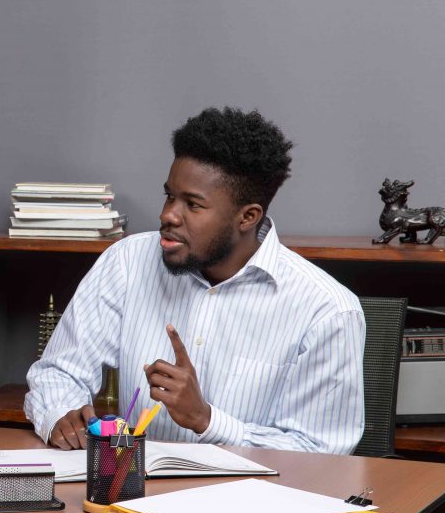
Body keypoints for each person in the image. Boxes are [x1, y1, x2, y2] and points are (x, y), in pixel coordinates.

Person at [24, 107, 366, 455]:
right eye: (169, 195)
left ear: (247, 217)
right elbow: (59, 373)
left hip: (249, 502)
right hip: (129, 489)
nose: (168, 214)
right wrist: (59, 415)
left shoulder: (327, 311)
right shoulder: (126, 263)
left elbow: (322, 453)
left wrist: (206, 420)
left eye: (193, 204)